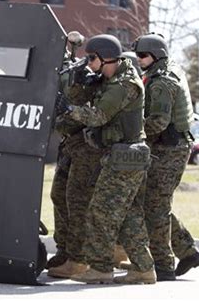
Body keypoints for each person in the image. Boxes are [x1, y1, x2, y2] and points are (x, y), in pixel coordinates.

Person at [56, 34, 156, 284]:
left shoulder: (124, 84)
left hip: (125, 156)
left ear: (104, 57)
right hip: (122, 156)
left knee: (100, 212)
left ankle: (100, 268)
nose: (89, 62)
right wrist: (79, 84)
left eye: (91, 58)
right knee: (128, 216)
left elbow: (99, 116)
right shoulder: (109, 79)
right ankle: (144, 269)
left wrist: (69, 110)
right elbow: (84, 96)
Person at [132, 33, 199, 281]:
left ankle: (164, 265)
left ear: (157, 56)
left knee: (156, 206)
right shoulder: (163, 72)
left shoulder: (162, 82)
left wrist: (132, 131)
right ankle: (187, 252)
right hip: (168, 148)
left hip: (169, 149)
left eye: (142, 55)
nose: (138, 59)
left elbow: (158, 122)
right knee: (155, 203)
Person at [48, 68, 104, 278]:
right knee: (59, 195)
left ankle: (79, 259)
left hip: (85, 148)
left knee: (78, 202)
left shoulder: (89, 87)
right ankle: (65, 251)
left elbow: (81, 118)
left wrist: (59, 116)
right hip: (69, 145)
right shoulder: (70, 84)